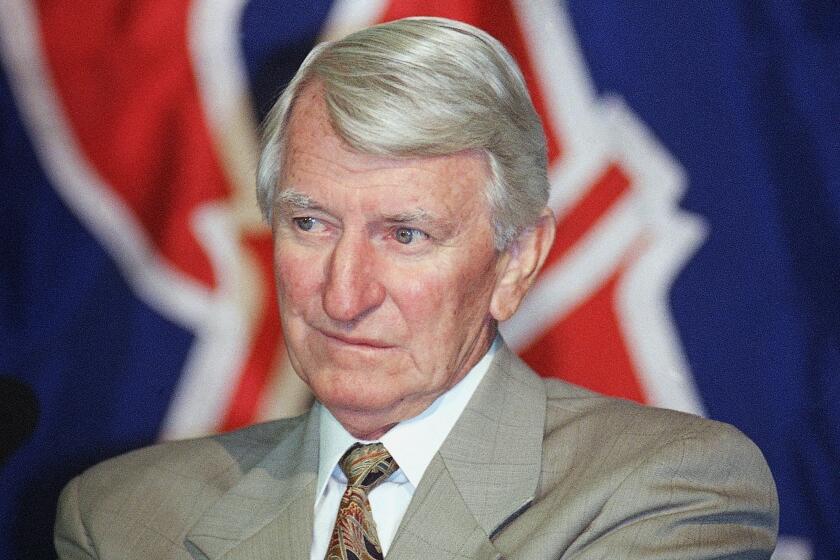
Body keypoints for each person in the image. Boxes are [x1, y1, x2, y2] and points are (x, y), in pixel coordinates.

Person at [55, 17, 778, 560]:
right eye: (310, 223)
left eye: (406, 235)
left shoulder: (663, 491)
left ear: (517, 259)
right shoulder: (122, 519)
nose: (343, 296)